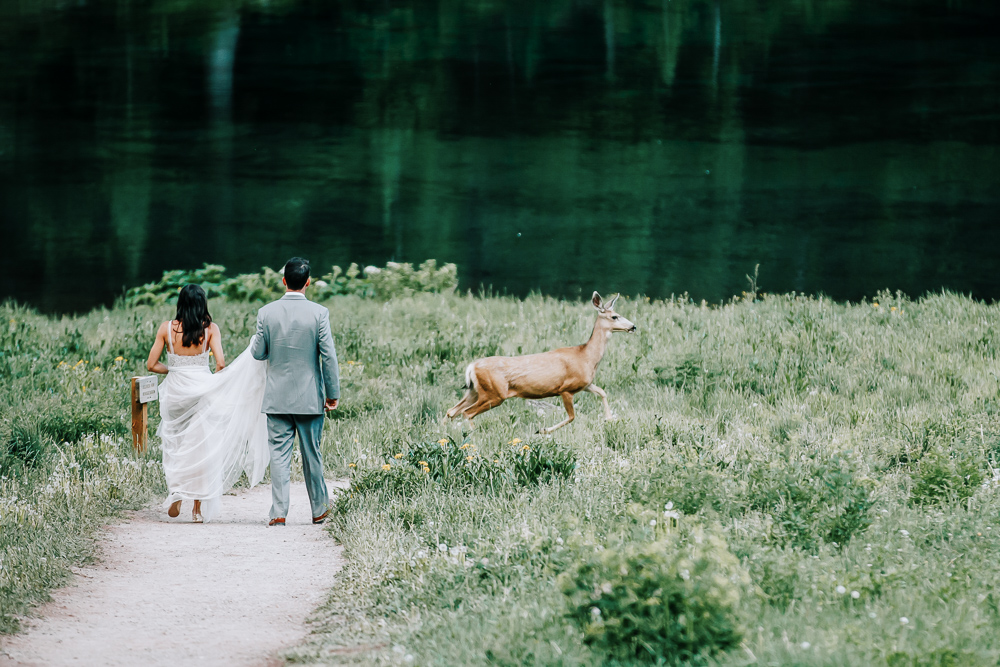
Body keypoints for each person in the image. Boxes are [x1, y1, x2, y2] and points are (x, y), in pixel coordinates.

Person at [146, 284, 270, 523]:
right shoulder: (210, 329)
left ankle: (176, 491)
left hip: (175, 394)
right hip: (202, 392)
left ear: (180, 303)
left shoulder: (166, 329)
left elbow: (151, 365)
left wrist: (173, 369)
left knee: (175, 444)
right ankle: (197, 509)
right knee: (201, 447)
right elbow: (221, 364)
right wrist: (210, 382)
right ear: (203, 304)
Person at [250, 257, 340, 526]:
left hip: (277, 397)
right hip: (310, 397)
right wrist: (332, 393)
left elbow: (258, 353)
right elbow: (329, 357)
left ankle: (278, 512)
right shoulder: (319, 313)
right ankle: (319, 509)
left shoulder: (266, 312)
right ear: (308, 282)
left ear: (284, 281)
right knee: (312, 453)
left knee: (278, 455)